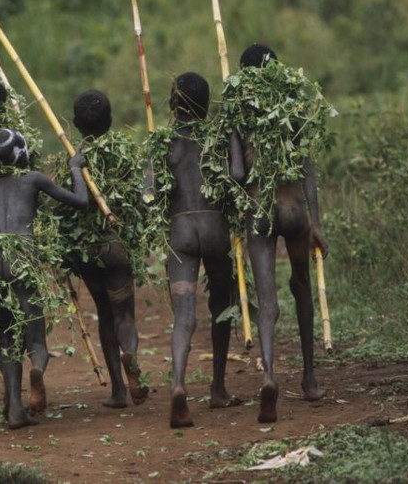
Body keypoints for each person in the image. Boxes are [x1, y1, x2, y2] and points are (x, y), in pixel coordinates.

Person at [228, 44, 329, 423]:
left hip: (259, 212)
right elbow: (308, 173)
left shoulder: (238, 117)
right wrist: (315, 223)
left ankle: (269, 375)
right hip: (293, 210)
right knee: (303, 287)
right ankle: (309, 378)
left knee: (267, 303)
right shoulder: (294, 111)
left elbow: (238, 175)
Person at [0, 128, 88, 429]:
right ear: (21, 154)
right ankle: (37, 367)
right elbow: (81, 201)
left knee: (2, 335)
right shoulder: (33, 179)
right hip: (21, 255)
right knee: (34, 336)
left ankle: (14, 407)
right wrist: (76, 169)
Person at [160, 73, 239, 428]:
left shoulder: (162, 143)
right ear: (206, 105)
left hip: (180, 232)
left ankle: (178, 384)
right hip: (214, 229)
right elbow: (237, 177)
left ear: (173, 104)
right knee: (222, 303)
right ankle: (218, 387)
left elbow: (151, 192)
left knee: (184, 315)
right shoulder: (218, 139)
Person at [65, 90, 149, 409]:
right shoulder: (125, 154)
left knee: (104, 313)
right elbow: (138, 203)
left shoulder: (72, 159)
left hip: (88, 250)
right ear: (111, 120)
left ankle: (117, 390)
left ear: (74, 124)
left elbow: (67, 207)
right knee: (124, 315)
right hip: (116, 247)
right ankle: (131, 356)